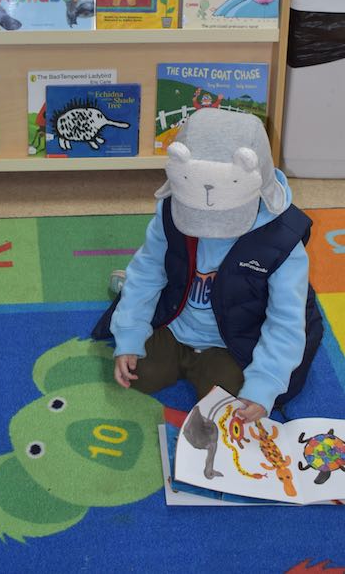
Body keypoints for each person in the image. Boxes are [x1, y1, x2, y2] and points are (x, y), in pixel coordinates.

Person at [105, 108, 323, 422]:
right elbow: (148, 271)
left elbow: (285, 322)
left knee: (228, 405)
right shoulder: (170, 210)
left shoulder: (282, 241)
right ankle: (128, 299)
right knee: (141, 373)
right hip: (177, 320)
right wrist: (128, 335)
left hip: (235, 337)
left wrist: (264, 384)